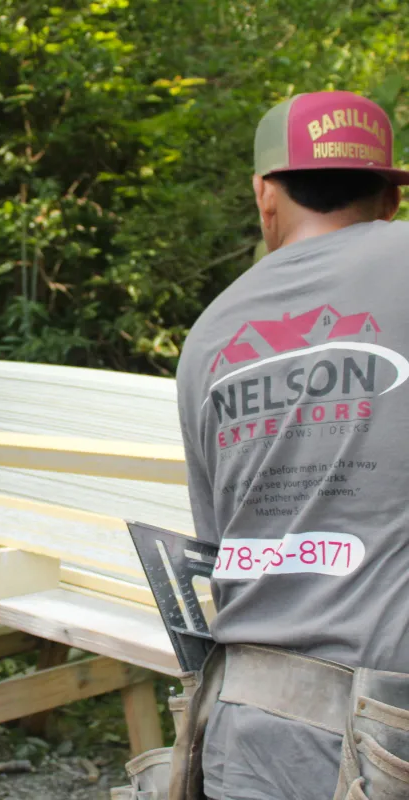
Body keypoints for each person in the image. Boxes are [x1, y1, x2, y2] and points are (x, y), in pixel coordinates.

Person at [175, 90, 409, 799]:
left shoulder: (208, 336)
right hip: (394, 724)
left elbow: (218, 545)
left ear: (264, 195)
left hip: (248, 723)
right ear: (390, 199)